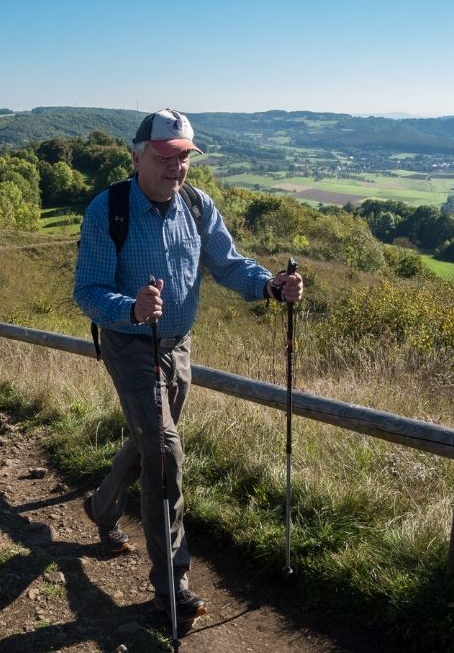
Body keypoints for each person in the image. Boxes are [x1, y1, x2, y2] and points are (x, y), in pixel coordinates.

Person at [74, 108, 303, 627]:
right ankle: (170, 586)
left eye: (185, 157)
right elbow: (86, 290)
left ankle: (103, 507)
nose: (178, 167)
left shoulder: (197, 206)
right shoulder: (107, 209)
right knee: (165, 452)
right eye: (166, 156)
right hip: (130, 343)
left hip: (178, 346)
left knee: (150, 443)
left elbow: (228, 264)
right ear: (137, 157)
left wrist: (270, 286)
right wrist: (129, 308)